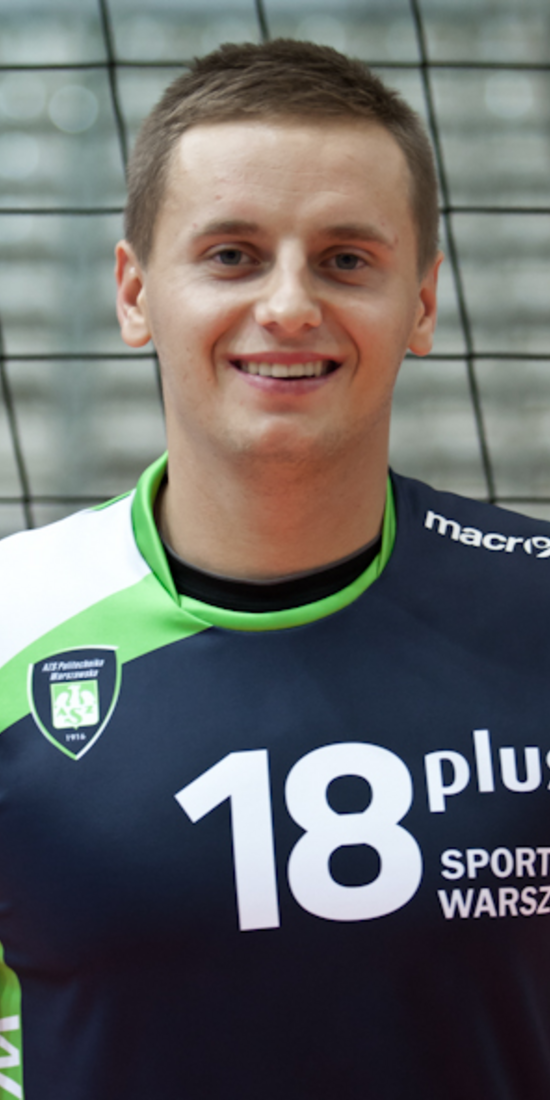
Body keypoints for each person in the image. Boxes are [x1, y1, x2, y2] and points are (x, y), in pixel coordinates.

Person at [1, 38, 550, 1100]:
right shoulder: (13, 625)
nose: (289, 305)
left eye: (345, 259)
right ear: (134, 293)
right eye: (231, 255)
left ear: (422, 303)